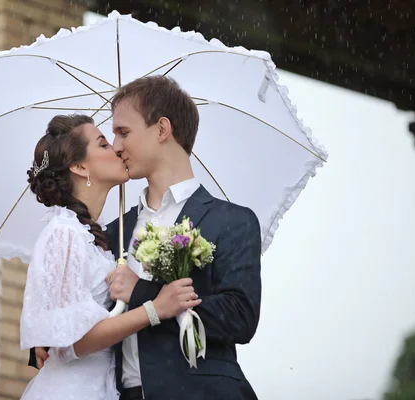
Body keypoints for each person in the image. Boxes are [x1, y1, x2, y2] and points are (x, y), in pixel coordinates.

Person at [32, 76, 263, 400]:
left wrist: (144, 292)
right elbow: (80, 315)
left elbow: (240, 317)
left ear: (161, 129)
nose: (116, 146)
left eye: (123, 132)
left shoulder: (232, 221)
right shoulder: (108, 235)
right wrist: (49, 337)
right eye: (111, 136)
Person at [20, 114, 202, 400]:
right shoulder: (63, 232)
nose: (117, 149)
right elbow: (71, 343)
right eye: (104, 144)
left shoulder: (98, 237)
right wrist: (154, 309)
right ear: (80, 166)